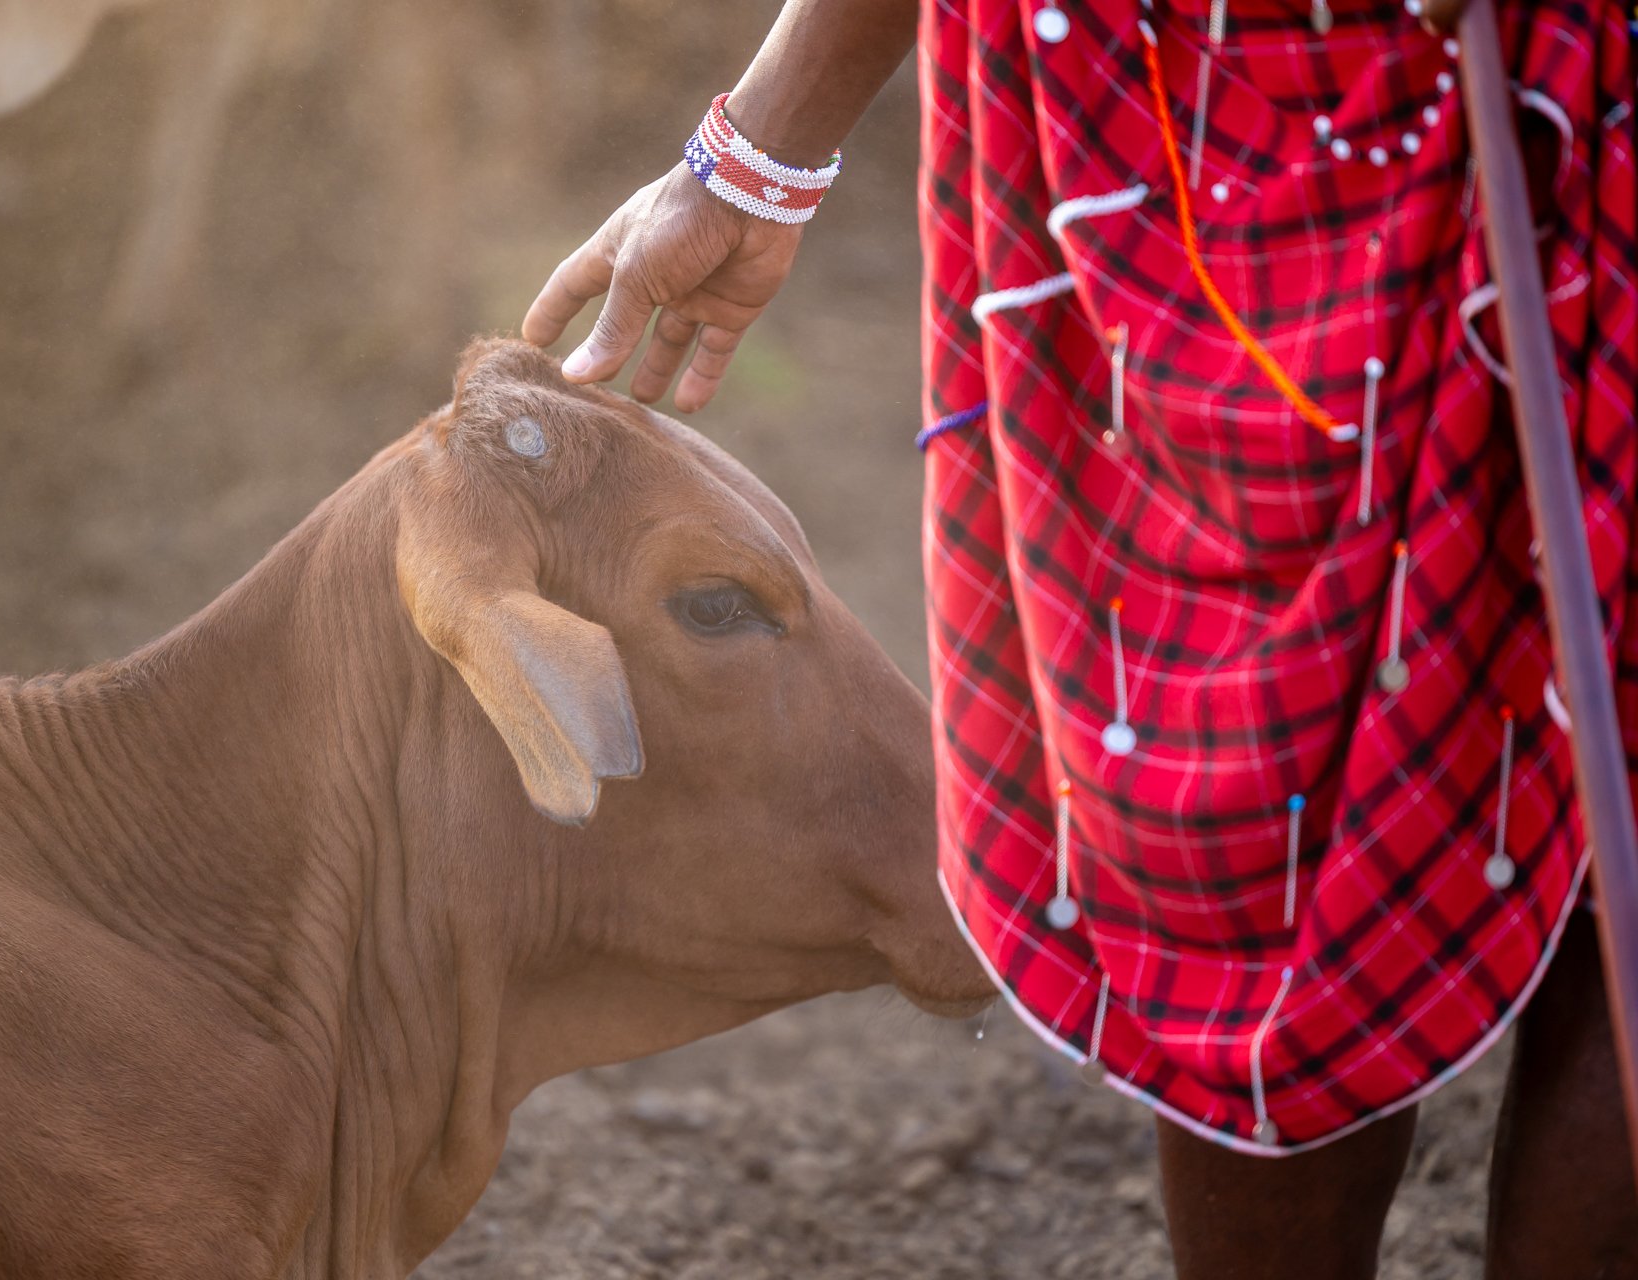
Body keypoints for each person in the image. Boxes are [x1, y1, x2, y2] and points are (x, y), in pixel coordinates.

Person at [523, 0, 1638, 1274]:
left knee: (1265, 815)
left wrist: (760, 156)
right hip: (1414, 95)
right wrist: (754, 166)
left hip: (1225, 134)